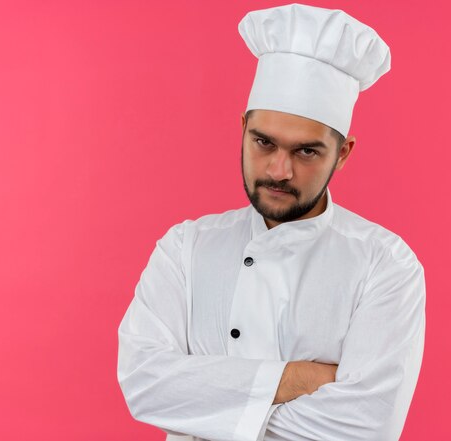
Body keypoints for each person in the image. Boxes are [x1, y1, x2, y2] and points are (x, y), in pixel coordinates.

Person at [117, 4, 426, 441]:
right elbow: (145, 385)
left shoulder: (386, 265)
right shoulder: (185, 248)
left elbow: (368, 427)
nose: (279, 170)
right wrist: (300, 380)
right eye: (263, 142)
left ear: (343, 153)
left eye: (306, 151)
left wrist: (208, 407)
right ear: (243, 128)